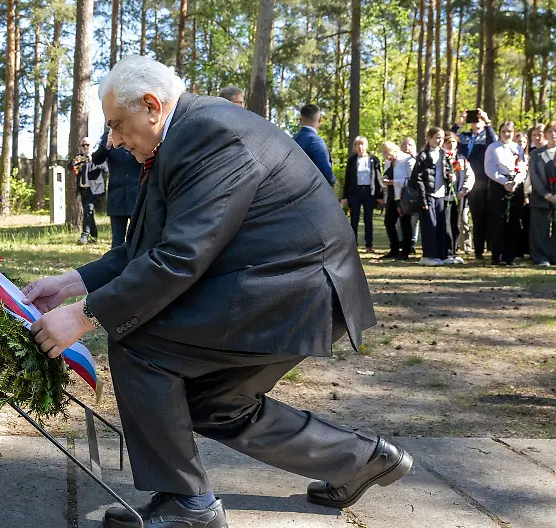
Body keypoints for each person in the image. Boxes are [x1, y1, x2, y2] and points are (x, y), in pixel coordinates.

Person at [23, 55, 411, 528]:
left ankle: (188, 506)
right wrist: (68, 285)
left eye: (119, 126)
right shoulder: (182, 134)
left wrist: (83, 317)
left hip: (296, 287)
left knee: (140, 342)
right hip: (282, 284)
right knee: (214, 403)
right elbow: (144, 249)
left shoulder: (207, 135)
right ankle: (360, 459)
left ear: (151, 105)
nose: (116, 141)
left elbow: (181, 257)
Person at [455, 109, 497, 260]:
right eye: (473, 119)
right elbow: (449, 140)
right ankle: (467, 248)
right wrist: (458, 124)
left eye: (478, 119)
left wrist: (488, 123)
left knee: (481, 217)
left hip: (481, 181)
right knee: (463, 216)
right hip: (462, 179)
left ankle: (484, 249)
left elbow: (494, 143)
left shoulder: (487, 136)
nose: (476, 121)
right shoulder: (464, 137)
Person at [528, 122, 556, 266]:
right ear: (545, 134)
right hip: (541, 198)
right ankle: (541, 257)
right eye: (550, 131)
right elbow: (534, 176)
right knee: (541, 229)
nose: (553, 134)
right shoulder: (536, 154)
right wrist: (545, 194)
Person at [484, 121, 526, 265]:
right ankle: (498, 256)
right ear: (500, 132)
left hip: (516, 186)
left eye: (510, 131)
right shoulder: (493, 148)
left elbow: (523, 168)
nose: (507, 134)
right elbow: (490, 169)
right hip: (499, 186)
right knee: (498, 221)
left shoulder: (518, 148)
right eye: (504, 131)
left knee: (514, 222)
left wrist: (516, 182)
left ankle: (510, 256)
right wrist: (504, 182)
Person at [411, 128, 454, 266]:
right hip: (428, 195)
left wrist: (450, 177)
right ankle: (429, 255)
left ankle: (442, 254)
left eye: (441, 138)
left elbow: (446, 172)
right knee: (430, 226)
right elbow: (416, 178)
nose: (439, 140)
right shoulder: (423, 155)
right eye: (436, 137)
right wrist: (423, 198)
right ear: (429, 139)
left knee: (441, 225)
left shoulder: (444, 154)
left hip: (441, 195)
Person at [92, 129, 141, 248]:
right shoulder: (108, 135)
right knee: (117, 240)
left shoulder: (137, 131)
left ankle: (136, 265)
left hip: (137, 195)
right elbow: (96, 159)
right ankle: (116, 265)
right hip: (117, 196)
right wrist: (107, 145)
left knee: (138, 238)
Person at [341, 136, 383, 253]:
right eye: (357, 145)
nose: (360, 147)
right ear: (355, 147)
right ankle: (353, 244)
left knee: (368, 219)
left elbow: (378, 179)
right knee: (354, 219)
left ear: (366, 146)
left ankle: (369, 244)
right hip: (355, 193)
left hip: (369, 193)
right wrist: (344, 197)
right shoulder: (352, 160)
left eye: (362, 144)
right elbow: (347, 180)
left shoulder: (374, 160)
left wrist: (380, 196)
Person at [444, 132, 474, 263]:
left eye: (453, 142)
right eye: (448, 142)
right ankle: (445, 251)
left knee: (456, 223)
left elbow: (469, 175)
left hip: (458, 195)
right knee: (445, 224)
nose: (451, 145)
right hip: (443, 197)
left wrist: (464, 189)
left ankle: (454, 250)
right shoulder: (440, 157)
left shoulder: (460, 159)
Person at [71, 137, 107, 244]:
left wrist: (94, 161)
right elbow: (70, 167)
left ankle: (85, 235)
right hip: (83, 189)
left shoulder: (96, 156)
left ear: (91, 146)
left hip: (94, 189)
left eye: (87, 145)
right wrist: (74, 162)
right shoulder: (80, 158)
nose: (85, 147)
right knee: (89, 213)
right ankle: (94, 235)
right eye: (83, 145)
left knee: (88, 210)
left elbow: (105, 168)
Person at [293, 104, 337, 186]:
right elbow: (326, 173)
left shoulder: (292, 140)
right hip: (310, 193)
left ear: (300, 120)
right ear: (320, 119)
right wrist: (332, 180)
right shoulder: (316, 141)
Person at [395, 137, 420, 258]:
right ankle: (403, 244)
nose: (406, 146)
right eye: (404, 144)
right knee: (403, 221)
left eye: (409, 144)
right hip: (401, 194)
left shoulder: (416, 159)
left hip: (414, 195)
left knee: (414, 221)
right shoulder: (397, 160)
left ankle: (412, 244)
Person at [379, 141, 403, 259]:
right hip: (391, 195)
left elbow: (405, 179)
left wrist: (393, 182)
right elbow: (386, 175)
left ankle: (404, 249)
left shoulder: (402, 161)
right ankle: (394, 248)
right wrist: (385, 179)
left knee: (403, 223)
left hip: (401, 195)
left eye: (388, 153)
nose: (387, 156)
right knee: (388, 222)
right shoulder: (388, 162)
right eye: (385, 154)